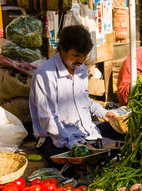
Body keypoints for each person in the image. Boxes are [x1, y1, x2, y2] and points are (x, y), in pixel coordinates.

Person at [29, 25, 123, 170]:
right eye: (75, 55)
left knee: (125, 136)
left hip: (84, 131)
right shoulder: (44, 75)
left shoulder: (80, 68)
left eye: (84, 55)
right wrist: (74, 144)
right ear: (62, 48)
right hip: (56, 139)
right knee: (80, 167)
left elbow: (84, 100)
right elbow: (48, 120)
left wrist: (104, 113)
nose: (81, 60)